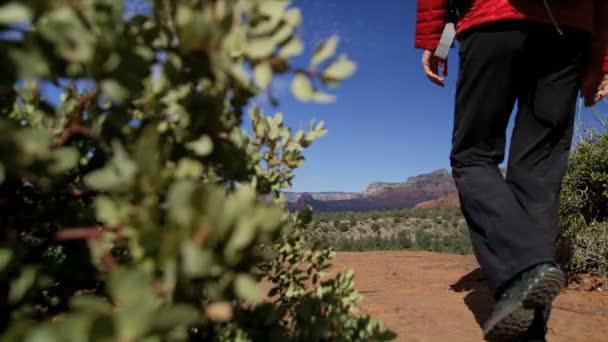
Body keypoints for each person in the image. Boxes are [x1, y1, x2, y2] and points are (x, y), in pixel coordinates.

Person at [415, 0, 608, 341]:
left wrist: (436, 41)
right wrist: (601, 60)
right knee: (540, 170)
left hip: (491, 22)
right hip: (569, 32)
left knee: (473, 157)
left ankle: (524, 267)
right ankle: (530, 325)